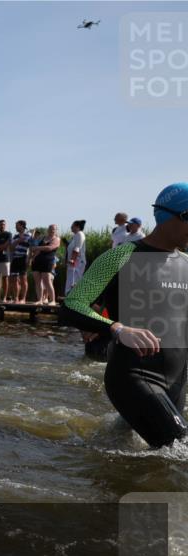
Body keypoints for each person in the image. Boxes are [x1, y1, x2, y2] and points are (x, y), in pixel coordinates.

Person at [61, 182, 188, 448]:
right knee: (179, 448)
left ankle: (105, 448)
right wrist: (118, 328)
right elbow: (73, 304)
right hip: (134, 375)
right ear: (172, 217)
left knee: (154, 459)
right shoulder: (121, 257)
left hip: (177, 379)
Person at [28, 224, 60, 304]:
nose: (51, 230)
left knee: (47, 281)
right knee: (37, 281)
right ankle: (40, 300)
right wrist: (32, 258)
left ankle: (52, 300)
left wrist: (37, 248)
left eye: (53, 229)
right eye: (50, 228)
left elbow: (50, 248)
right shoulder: (42, 238)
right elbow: (35, 248)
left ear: (56, 230)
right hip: (37, 261)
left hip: (48, 261)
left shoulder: (56, 239)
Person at [8, 220, 31, 303]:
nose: (16, 227)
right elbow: (11, 248)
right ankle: (16, 298)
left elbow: (31, 248)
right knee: (14, 279)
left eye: (17, 225)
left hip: (23, 258)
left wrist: (29, 260)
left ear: (22, 226)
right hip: (15, 259)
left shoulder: (29, 235)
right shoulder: (15, 236)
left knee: (23, 279)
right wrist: (18, 240)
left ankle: (23, 298)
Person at [65, 220, 87, 296]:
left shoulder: (80, 234)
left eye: (72, 225)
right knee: (70, 281)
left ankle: (74, 298)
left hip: (77, 262)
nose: (71, 227)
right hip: (73, 262)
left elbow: (77, 248)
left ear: (77, 227)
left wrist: (72, 259)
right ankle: (69, 297)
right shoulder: (75, 236)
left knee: (74, 281)